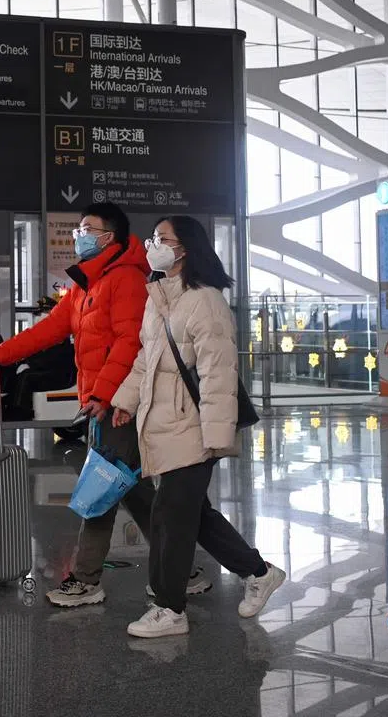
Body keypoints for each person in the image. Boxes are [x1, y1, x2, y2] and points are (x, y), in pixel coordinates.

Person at [0, 202, 213, 607]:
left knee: (100, 489)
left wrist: (105, 395)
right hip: (99, 401)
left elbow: (129, 342)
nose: (79, 235)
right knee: (132, 489)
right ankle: (183, 568)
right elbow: (50, 329)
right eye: (78, 229)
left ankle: (86, 579)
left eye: (87, 228)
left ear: (110, 237)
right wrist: (2, 354)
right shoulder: (86, 284)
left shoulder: (123, 280)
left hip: (116, 401)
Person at [110, 216, 284, 638]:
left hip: (193, 426)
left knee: (170, 514)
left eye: (161, 239)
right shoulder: (159, 297)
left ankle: (170, 608)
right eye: (153, 238)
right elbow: (145, 360)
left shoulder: (206, 301)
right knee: (191, 513)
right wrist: (125, 401)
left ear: (184, 248)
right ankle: (258, 572)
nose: (154, 245)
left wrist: (217, 439)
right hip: (162, 422)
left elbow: (219, 375)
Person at [6, 295, 76, 420]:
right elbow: (35, 353)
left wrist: (31, 365)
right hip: (48, 371)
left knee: (27, 376)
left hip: (59, 374)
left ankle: (22, 410)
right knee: (14, 373)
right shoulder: (45, 336)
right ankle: (9, 406)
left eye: (44, 312)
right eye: (39, 313)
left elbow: (53, 359)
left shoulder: (59, 334)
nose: (40, 316)